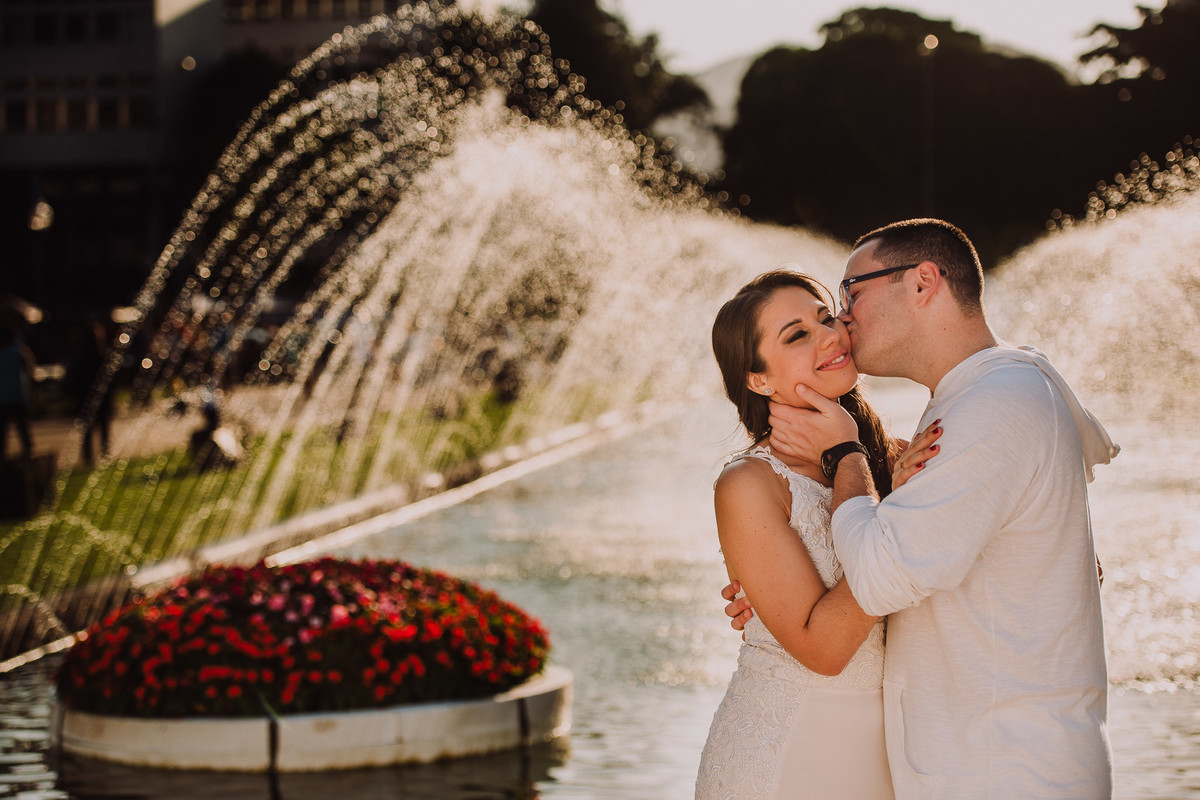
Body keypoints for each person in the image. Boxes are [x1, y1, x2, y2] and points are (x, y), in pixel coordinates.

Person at [725, 219, 1118, 799]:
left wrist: (845, 456)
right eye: (800, 330)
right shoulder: (964, 404)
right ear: (757, 377)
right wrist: (776, 584)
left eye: (848, 296)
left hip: (1003, 770)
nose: (843, 320)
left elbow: (884, 576)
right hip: (933, 761)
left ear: (923, 281)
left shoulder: (994, 403)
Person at [696, 270, 940, 800]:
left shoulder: (888, 458)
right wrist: (895, 513)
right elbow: (825, 650)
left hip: (886, 756)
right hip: (789, 754)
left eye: (825, 317)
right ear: (758, 379)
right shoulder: (750, 484)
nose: (830, 335)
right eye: (796, 334)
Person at [0, 316, 36, 461]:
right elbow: (30, 370)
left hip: (3, 397)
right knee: (22, 428)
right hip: (17, 395)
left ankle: (4, 458)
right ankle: (28, 455)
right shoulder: (18, 350)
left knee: (3, 431)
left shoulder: (15, 350)